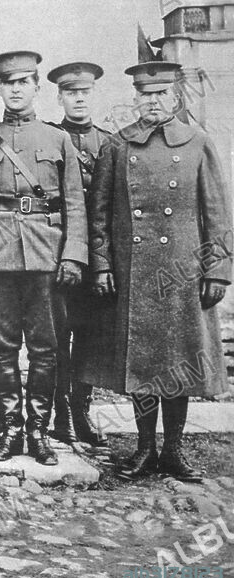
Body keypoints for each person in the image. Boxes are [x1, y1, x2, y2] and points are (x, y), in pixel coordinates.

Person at [89, 61, 231, 482]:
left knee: (178, 363)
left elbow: (217, 213)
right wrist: (101, 264)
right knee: (144, 363)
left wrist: (217, 270)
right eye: (145, 94)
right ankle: (144, 448)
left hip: (183, 271)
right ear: (135, 98)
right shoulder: (118, 145)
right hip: (133, 270)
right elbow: (99, 214)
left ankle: (173, 451)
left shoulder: (198, 143)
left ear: (176, 97)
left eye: (161, 94)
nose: (153, 102)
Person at [0, 50, 87, 466]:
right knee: (1, 346)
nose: (15, 90)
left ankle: (38, 431)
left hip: (47, 256)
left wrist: (74, 256)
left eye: (23, 82)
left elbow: (75, 203)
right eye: (8, 83)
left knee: (46, 348)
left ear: (36, 87)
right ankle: (11, 429)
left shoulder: (57, 139)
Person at [46, 61, 113, 446]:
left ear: (94, 95)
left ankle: (80, 412)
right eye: (71, 93)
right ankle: (59, 414)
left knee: (88, 338)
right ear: (60, 97)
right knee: (57, 336)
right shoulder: (50, 138)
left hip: (97, 257)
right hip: (60, 253)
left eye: (85, 92)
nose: (79, 99)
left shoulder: (109, 143)